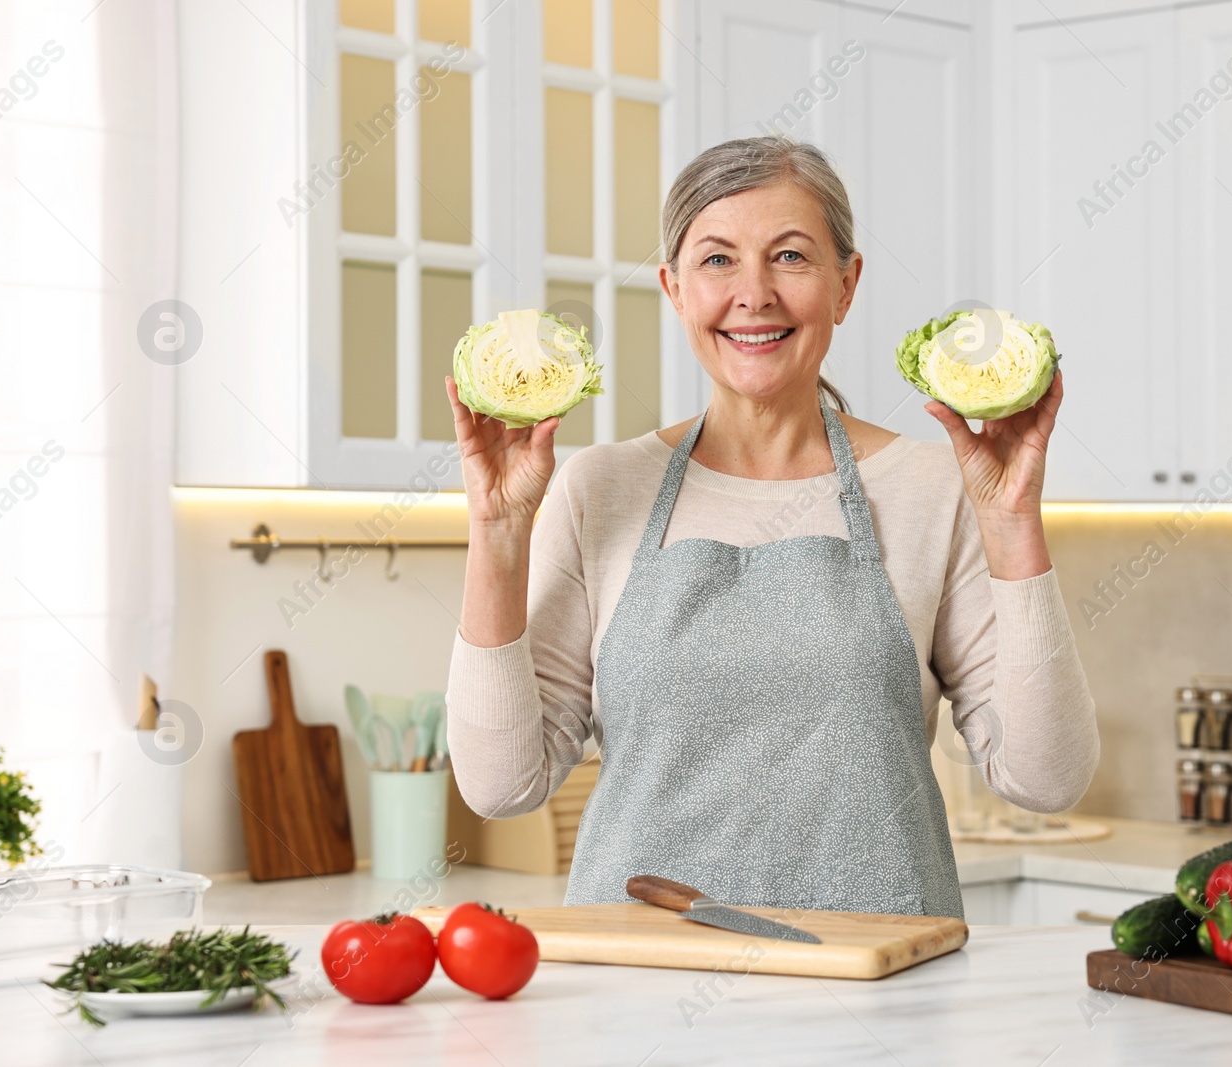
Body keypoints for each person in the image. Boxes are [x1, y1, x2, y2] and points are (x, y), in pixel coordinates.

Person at [443, 136, 1098, 919]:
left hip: (875, 993)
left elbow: (1047, 779)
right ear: (674, 288)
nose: (753, 294)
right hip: (645, 993)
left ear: (846, 285)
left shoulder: (935, 487)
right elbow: (501, 784)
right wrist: (495, 531)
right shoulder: (599, 488)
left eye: (790, 256)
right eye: (717, 260)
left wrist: (1014, 521)